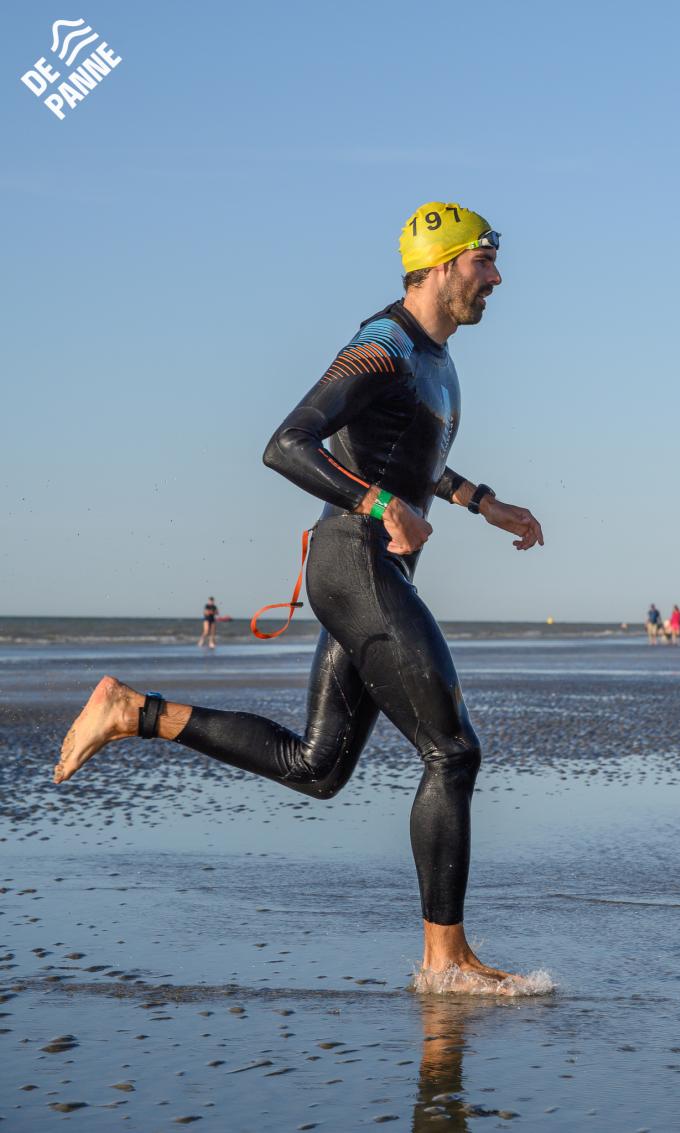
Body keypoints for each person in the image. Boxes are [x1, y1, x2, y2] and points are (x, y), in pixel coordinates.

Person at [53, 201, 544, 993]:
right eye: (484, 261)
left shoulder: (434, 359)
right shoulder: (382, 346)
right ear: (443, 265)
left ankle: (132, 711)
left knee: (316, 767)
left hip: (368, 570)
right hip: (354, 564)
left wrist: (480, 500)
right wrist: (380, 506)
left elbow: (407, 450)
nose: (497, 278)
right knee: (453, 751)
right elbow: (286, 444)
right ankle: (445, 960)